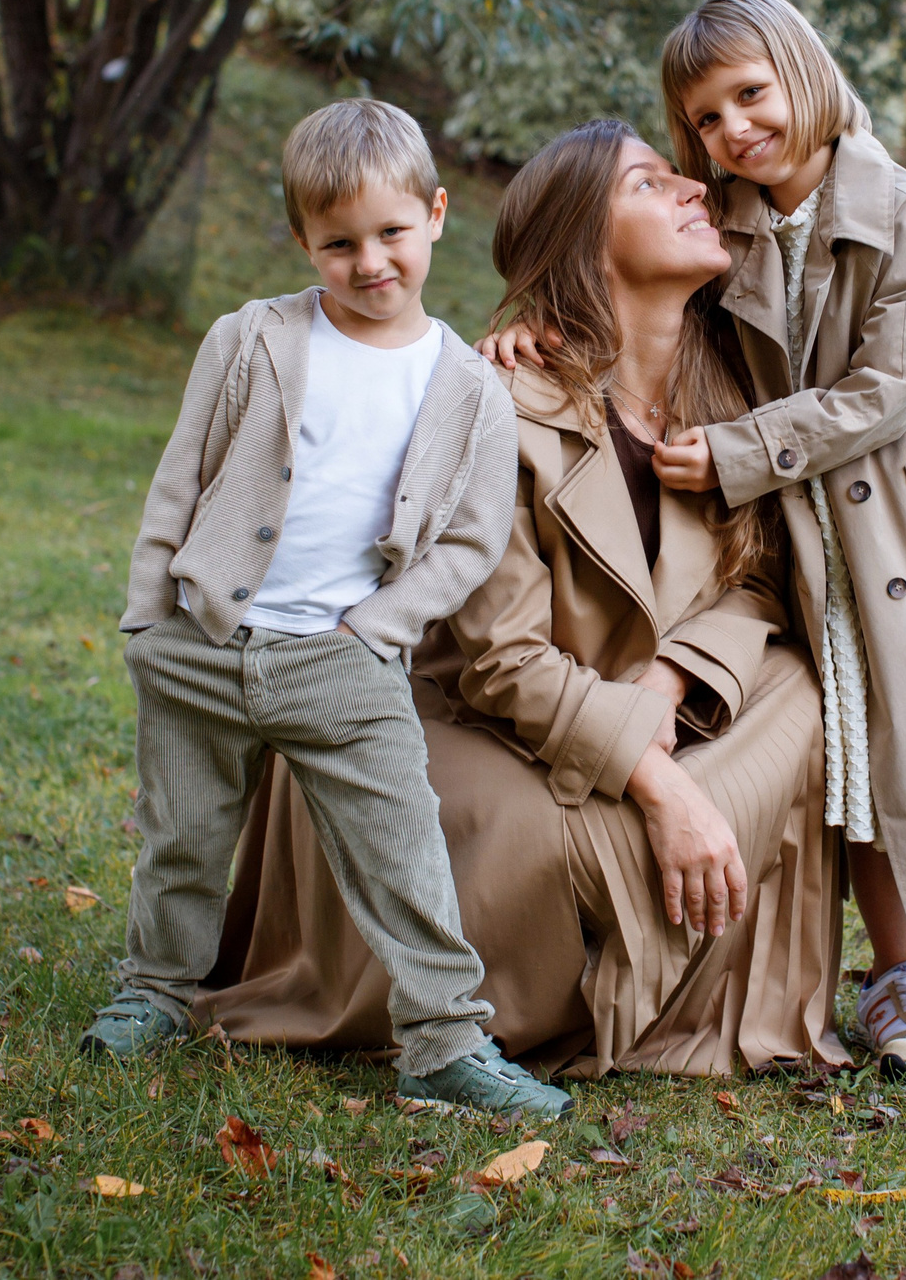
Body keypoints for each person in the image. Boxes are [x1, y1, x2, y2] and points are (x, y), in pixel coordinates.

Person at [486, 0, 906, 1079]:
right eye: (704, 119)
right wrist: (537, 318)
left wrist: (747, 451)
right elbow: (627, 285)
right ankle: (895, 976)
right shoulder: (735, 221)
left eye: (750, 95)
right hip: (814, 540)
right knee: (853, 748)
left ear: (805, 74)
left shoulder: (903, 215)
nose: (733, 131)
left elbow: (891, 387)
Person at [196, 120, 846, 1078]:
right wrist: (661, 785)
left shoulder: (734, 389)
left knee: (802, 681)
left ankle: (638, 904)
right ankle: (641, 924)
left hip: (636, 716)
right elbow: (503, 661)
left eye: (683, 180)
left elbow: (755, 584)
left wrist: (665, 686)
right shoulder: (494, 399)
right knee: (550, 832)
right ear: (584, 239)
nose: (695, 190)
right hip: (468, 722)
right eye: (649, 183)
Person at [92, 98, 569, 1122]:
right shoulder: (250, 339)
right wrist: (147, 620)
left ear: (437, 215)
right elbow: (182, 478)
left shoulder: (471, 388)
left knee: (403, 851)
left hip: (344, 660)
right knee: (181, 835)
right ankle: (156, 993)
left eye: (392, 232)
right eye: (338, 242)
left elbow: (472, 538)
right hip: (205, 642)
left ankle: (443, 1043)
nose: (369, 262)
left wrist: (382, 628)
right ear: (303, 240)